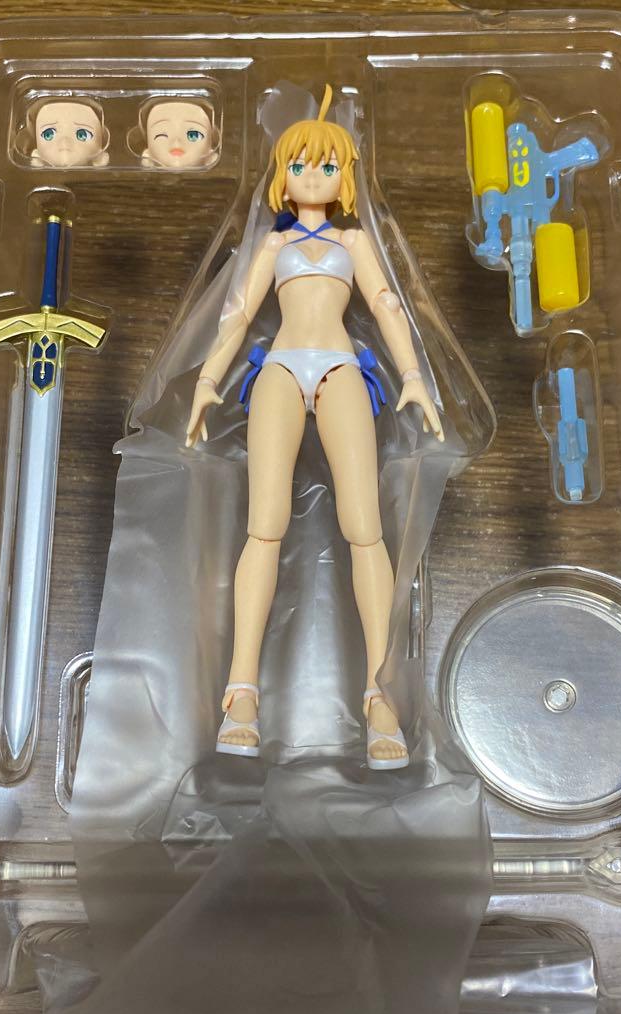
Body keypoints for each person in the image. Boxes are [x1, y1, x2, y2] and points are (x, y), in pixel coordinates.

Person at [184, 85, 443, 769]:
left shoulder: (355, 239)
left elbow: (387, 305)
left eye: (327, 166)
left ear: (345, 175)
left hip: (338, 366)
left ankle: (380, 695)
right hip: (278, 369)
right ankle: (241, 693)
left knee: (365, 527)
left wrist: (413, 375)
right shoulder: (274, 244)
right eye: (300, 165)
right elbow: (237, 314)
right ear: (282, 172)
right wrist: (207, 381)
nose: (312, 176)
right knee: (264, 525)